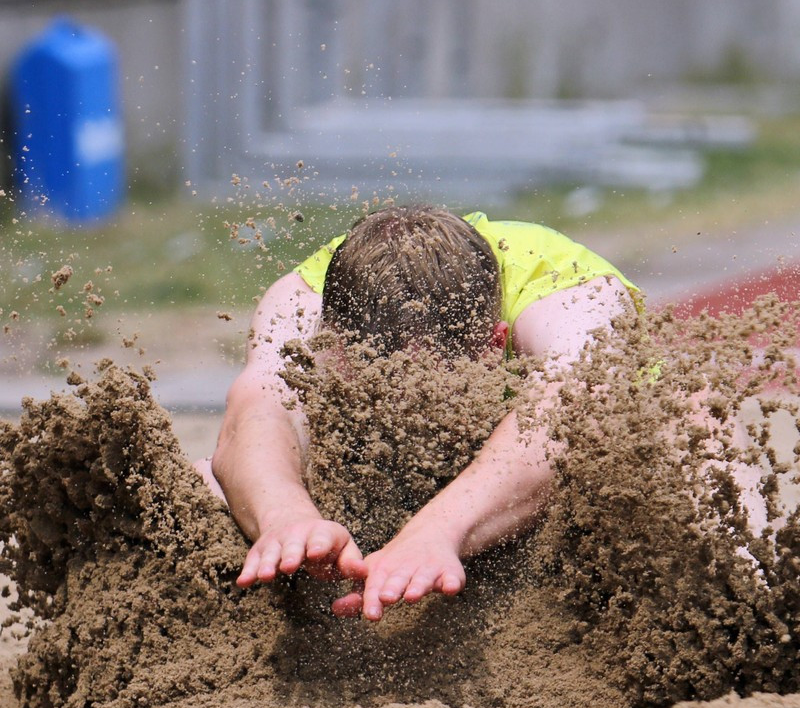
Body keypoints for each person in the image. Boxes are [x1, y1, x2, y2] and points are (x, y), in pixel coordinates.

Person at [197, 204, 640, 622]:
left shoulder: (570, 292)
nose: (397, 410)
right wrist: (285, 519)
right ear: (329, 345)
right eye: (371, 384)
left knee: (699, 451)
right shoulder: (303, 300)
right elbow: (256, 411)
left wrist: (437, 530)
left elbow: (572, 413)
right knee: (200, 490)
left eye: (419, 391)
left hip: (545, 497)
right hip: (377, 485)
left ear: (492, 346)